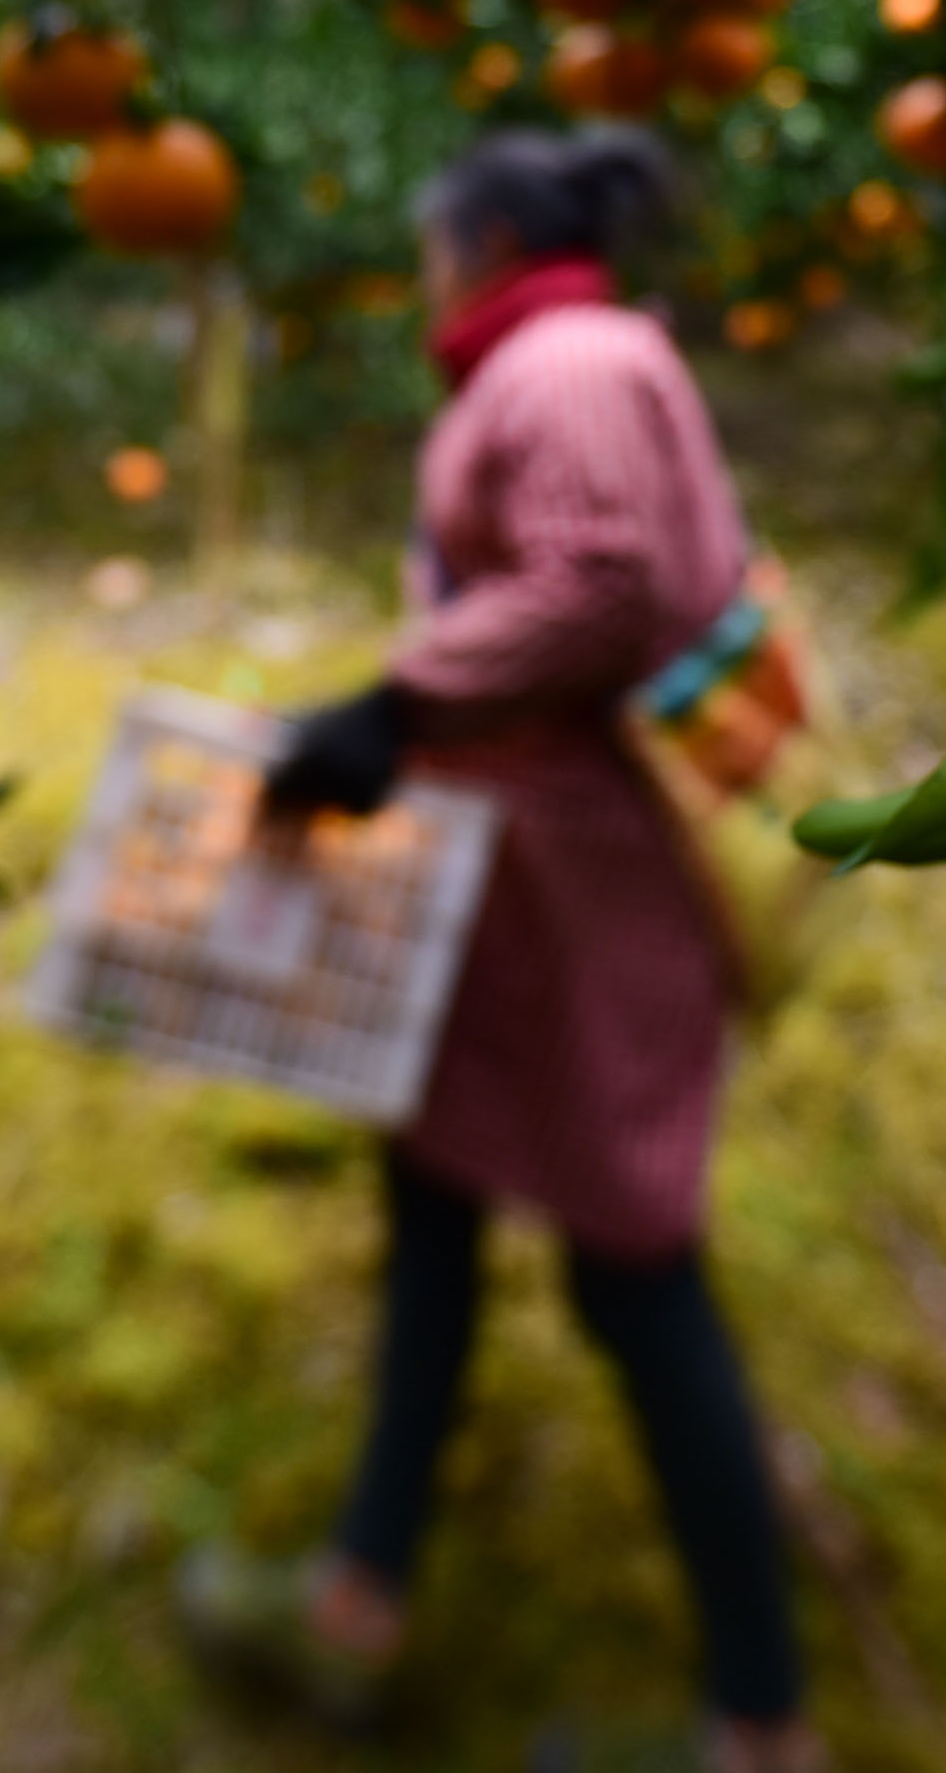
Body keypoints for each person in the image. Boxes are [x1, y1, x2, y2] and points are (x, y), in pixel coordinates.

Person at [181, 125, 815, 1773]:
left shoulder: (573, 362)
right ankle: (355, 1612)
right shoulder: (557, 360)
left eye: (426, 254)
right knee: (435, 1210)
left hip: (584, 894)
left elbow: (598, 586)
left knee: (633, 1263)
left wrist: (400, 704)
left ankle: (762, 1725)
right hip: (512, 889)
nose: (418, 288)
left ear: (477, 244)